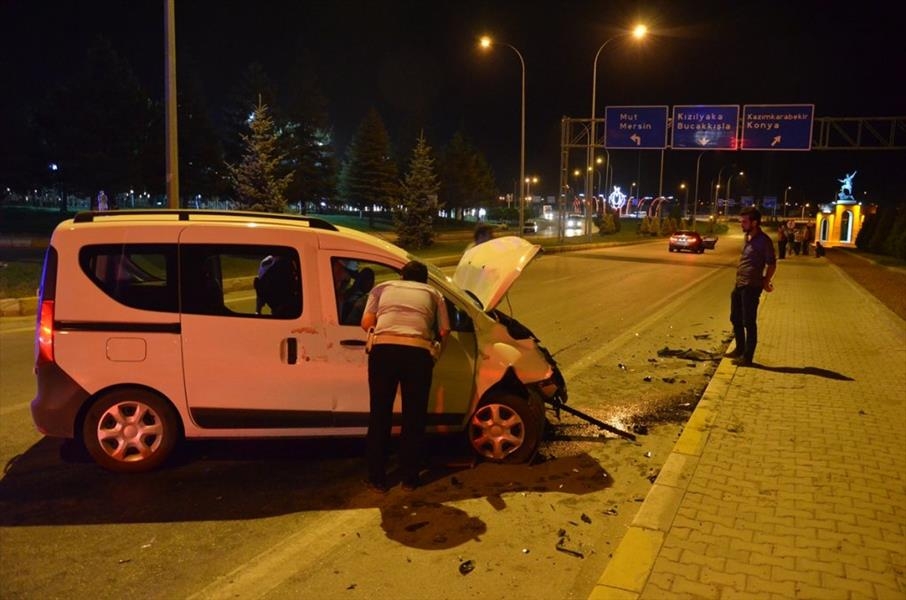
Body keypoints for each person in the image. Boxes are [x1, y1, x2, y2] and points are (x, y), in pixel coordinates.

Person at [360, 260, 450, 493]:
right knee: (414, 415)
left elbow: (366, 323)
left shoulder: (382, 288)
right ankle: (410, 477)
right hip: (417, 353)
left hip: (383, 351)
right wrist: (436, 353)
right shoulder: (434, 293)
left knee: (379, 413)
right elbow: (444, 331)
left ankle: (376, 477)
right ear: (424, 280)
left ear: (401, 277)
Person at [725, 206, 776, 367]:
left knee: (749, 321)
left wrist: (766, 281)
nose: (742, 224)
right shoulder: (746, 238)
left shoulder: (764, 241)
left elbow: (772, 264)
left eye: (744, 222)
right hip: (739, 283)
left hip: (752, 286)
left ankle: (748, 357)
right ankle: (739, 348)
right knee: (735, 318)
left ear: (754, 223)